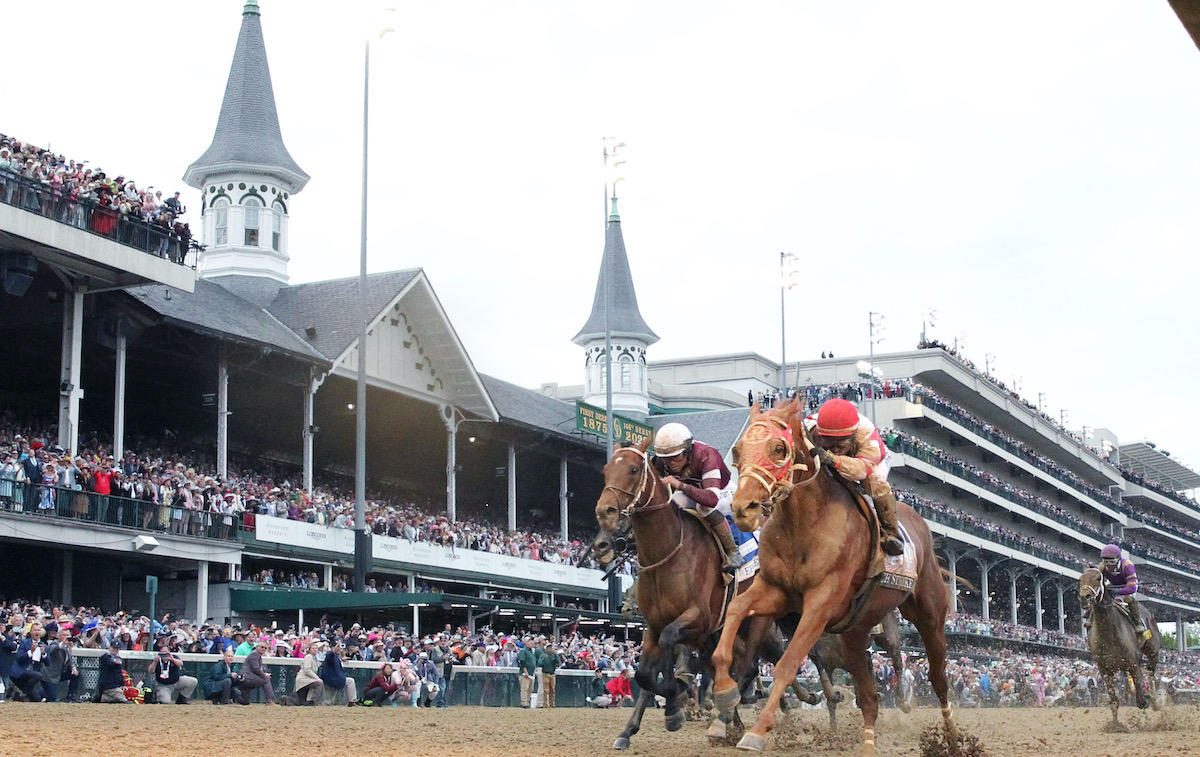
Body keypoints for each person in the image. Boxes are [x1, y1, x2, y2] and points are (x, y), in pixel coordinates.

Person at [805, 398, 904, 555]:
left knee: (876, 483)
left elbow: (862, 471)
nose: (835, 448)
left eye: (840, 444)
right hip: (832, 455)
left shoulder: (867, 437)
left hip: (868, 462)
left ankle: (891, 534)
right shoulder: (809, 426)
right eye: (829, 443)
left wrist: (833, 459)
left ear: (853, 436)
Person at [651, 422, 744, 571]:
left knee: (704, 507)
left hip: (722, 491)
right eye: (666, 458)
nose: (670, 463)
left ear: (688, 451)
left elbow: (712, 499)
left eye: (676, 457)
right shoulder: (660, 461)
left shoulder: (707, 455)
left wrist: (680, 485)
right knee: (672, 504)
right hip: (694, 493)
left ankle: (732, 551)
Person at [1099, 543, 1152, 642]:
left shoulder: (1127, 565)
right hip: (1113, 585)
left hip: (1128, 586)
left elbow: (1131, 587)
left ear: (1118, 558)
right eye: (1106, 562)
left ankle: (1138, 622)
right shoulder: (1102, 567)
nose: (1109, 566)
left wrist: (1118, 591)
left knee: (1128, 599)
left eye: (1112, 562)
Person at [235, 640, 276, 705]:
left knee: (245, 701)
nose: (264, 649)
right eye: (262, 647)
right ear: (257, 647)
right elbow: (256, 669)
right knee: (266, 680)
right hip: (247, 677)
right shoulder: (255, 654)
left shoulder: (254, 654)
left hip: (244, 677)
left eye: (265, 648)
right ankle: (270, 701)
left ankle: (234, 699)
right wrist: (264, 676)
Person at [45, 628, 80, 702]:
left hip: (61, 672)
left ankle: (72, 696)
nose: (66, 637)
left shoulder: (68, 647)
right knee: (51, 697)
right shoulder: (55, 643)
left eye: (67, 635)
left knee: (76, 674)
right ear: (59, 636)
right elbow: (52, 650)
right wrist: (62, 644)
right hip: (52, 674)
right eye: (64, 635)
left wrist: (73, 668)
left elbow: (69, 660)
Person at [294, 641, 325, 705]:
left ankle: (314, 701)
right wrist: (317, 678)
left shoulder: (315, 658)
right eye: (313, 648)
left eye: (316, 648)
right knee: (319, 683)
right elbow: (307, 670)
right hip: (303, 680)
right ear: (309, 650)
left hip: (307, 679)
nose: (315, 650)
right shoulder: (308, 657)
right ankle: (318, 702)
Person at [517, 638, 538, 708]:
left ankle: (527, 702)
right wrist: (525, 671)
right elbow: (522, 662)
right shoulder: (523, 651)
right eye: (530, 641)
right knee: (524, 688)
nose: (532, 643)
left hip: (531, 673)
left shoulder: (531, 651)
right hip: (525, 673)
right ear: (526, 643)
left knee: (530, 689)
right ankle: (524, 703)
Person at [539, 643, 561, 708]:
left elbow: (558, 663)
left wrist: (556, 654)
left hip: (552, 673)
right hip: (545, 673)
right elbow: (539, 664)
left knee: (552, 689)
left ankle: (552, 704)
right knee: (545, 690)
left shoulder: (553, 655)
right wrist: (543, 659)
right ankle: (545, 704)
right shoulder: (543, 655)